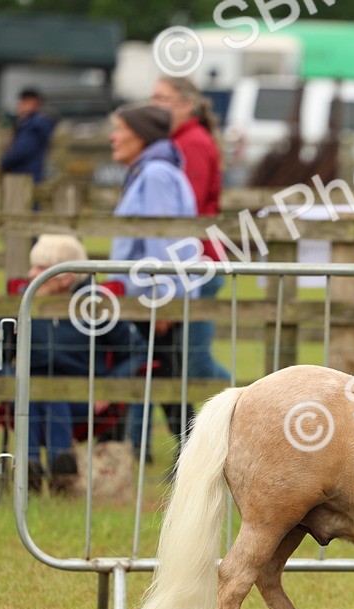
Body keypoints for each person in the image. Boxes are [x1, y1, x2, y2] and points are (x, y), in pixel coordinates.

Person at [0, 234, 146, 494]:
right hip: (25, 393)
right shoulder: (20, 303)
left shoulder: (95, 305)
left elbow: (137, 351)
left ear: (65, 278)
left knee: (53, 394)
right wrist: (8, 381)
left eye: (41, 268)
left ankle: (33, 466)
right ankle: (57, 467)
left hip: (82, 398)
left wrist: (109, 387)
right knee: (38, 394)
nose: (31, 274)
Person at [106, 103, 201, 462]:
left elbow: (162, 238)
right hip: (146, 296)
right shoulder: (152, 171)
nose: (113, 137)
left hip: (151, 299)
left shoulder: (156, 174)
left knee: (164, 381)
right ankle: (151, 454)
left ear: (141, 135)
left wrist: (163, 298)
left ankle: (192, 457)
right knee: (157, 378)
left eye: (120, 129)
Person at [150, 76, 232, 398]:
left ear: (186, 105)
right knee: (168, 360)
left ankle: (254, 408)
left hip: (198, 262)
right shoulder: (180, 141)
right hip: (190, 261)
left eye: (162, 98)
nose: (154, 105)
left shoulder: (192, 143)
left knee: (195, 363)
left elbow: (187, 210)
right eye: (153, 98)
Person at [0, 88, 56, 185]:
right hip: (27, 175)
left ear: (34, 103)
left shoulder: (34, 126)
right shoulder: (30, 124)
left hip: (24, 176)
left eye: (23, 102)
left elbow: (21, 151)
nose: (19, 106)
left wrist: (4, 163)